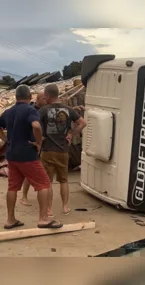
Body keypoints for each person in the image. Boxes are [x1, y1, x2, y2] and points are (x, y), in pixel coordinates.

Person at [0, 84, 63, 229]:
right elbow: (36, 126)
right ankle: (43, 219)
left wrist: (6, 140)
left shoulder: (9, 111)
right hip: (27, 154)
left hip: (12, 155)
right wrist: (38, 142)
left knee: (12, 187)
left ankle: (10, 219)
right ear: (30, 97)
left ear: (16, 97)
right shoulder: (30, 110)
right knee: (44, 184)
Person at [39, 83, 87, 217]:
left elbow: (35, 125)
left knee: (48, 182)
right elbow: (83, 122)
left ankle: (49, 210)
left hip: (47, 150)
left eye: (45, 96)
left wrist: (39, 138)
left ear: (48, 96)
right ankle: (65, 207)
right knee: (64, 181)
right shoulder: (68, 109)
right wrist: (72, 134)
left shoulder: (43, 110)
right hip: (63, 150)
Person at [20, 90, 47, 206]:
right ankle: (24, 196)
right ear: (38, 99)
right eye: (43, 99)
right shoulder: (32, 110)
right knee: (29, 173)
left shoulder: (45, 110)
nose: (45, 101)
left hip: (43, 144)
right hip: (33, 144)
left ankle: (42, 197)